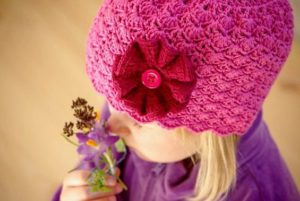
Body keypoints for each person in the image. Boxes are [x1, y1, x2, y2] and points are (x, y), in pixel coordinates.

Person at [52, 0, 300, 200]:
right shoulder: (127, 113)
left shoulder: (256, 193)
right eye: (109, 101)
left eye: (139, 122)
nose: (110, 126)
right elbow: (94, 168)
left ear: (207, 131)